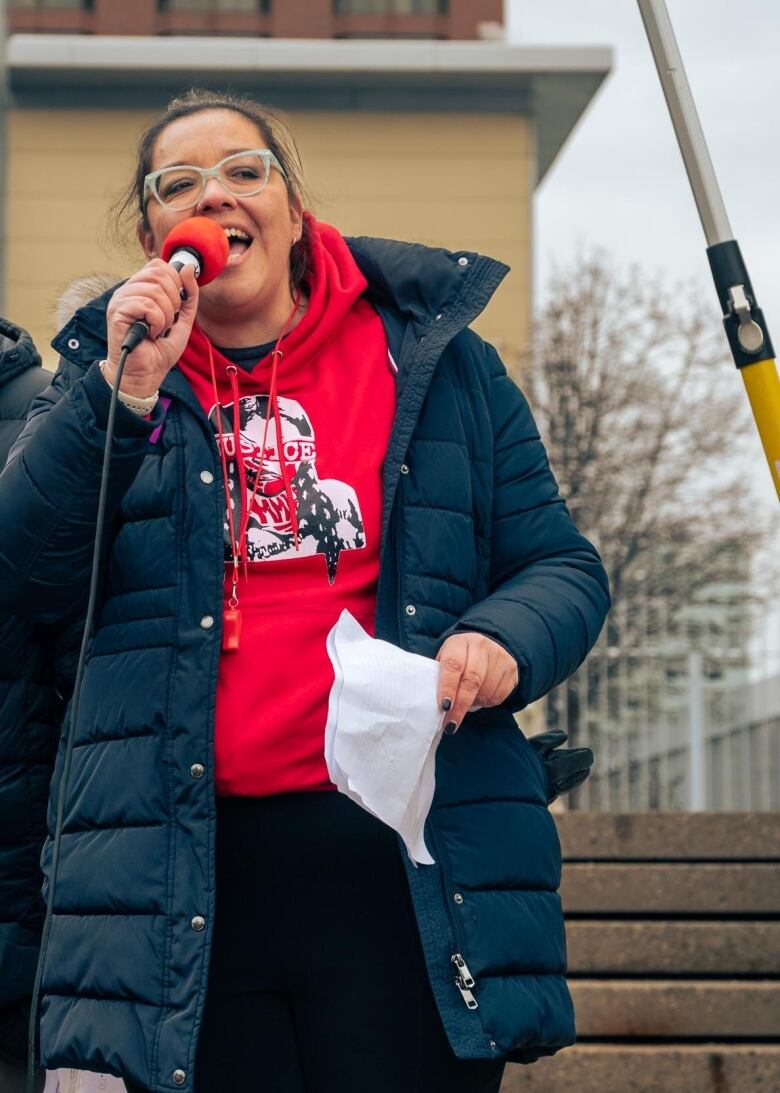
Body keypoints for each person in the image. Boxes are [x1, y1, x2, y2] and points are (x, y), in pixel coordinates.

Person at [0, 90, 610, 1093]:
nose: (216, 193)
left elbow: (561, 566)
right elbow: (26, 574)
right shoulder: (108, 379)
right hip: (186, 882)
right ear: (155, 234)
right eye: (178, 183)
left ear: (290, 207)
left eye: (247, 169)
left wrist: (503, 637)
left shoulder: (436, 362)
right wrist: (121, 394)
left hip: (400, 863)